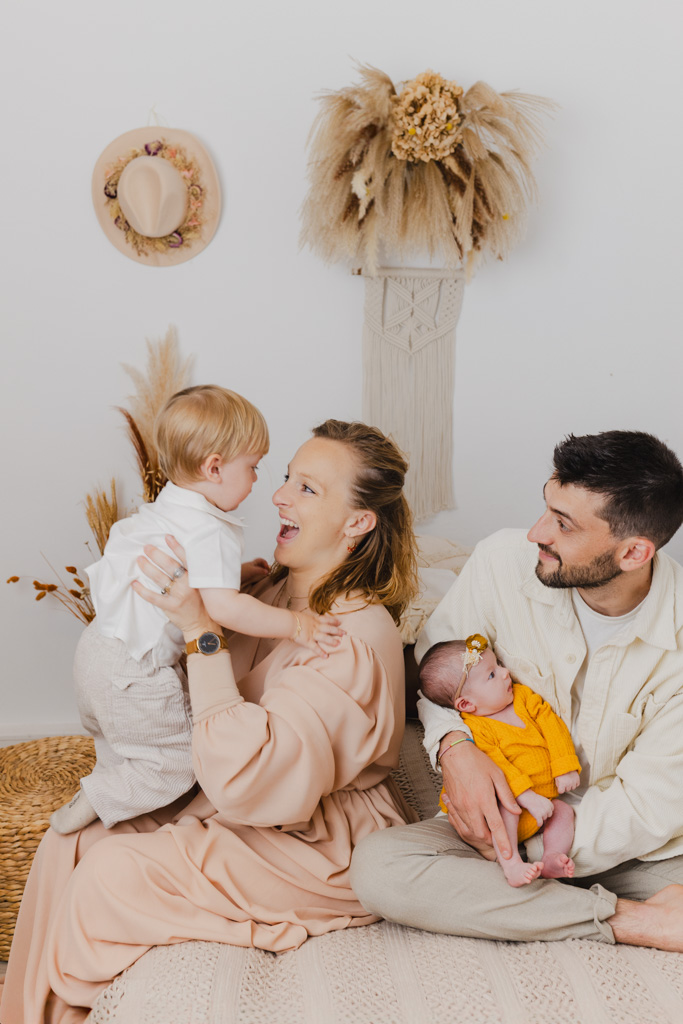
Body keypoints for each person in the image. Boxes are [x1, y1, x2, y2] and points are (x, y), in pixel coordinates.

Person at [0, 419, 419, 1023]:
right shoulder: (273, 596)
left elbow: (253, 783)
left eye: (308, 488)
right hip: (235, 798)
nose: (278, 496)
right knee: (72, 839)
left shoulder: (350, 632)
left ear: (358, 522)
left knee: (108, 873)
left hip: (315, 840)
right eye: (284, 480)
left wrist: (202, 631)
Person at [351, 430, 683, 951]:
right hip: (509, 819)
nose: (535, 532)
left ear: (634, 551)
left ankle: (561, 904)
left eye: (563, 524)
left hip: (640, 852)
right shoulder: (501, 562)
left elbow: (645, 808)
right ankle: (635, 921)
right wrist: (454, 748)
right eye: (546, 508)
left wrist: (513, 849)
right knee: (379, 868)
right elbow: (437, 672)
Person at [51, 385, 340, 835]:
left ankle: (111, 797)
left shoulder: (169, 505)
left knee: (122, 749)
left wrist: (236, 573)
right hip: (137, 674)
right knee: (179, 760)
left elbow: (195, 578)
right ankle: (97, 797)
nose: (259, 481)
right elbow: (224, 610)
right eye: (254, 467)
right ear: (214, 467)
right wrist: (297, 624)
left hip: (96, 654)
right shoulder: (212, 529)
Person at [419, 634, 580, 886]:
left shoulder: (523, 697)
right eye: (492, 675)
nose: (506, 673)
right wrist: (527, 798)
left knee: (564, 812)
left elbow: (551, 724)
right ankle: (511, 863)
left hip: (543, 803)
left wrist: (565, 765)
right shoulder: (475, 728)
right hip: (510, 803)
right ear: (466, 704)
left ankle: (552, 856)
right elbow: (498, 769)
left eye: (499, 666)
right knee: (504, 806)